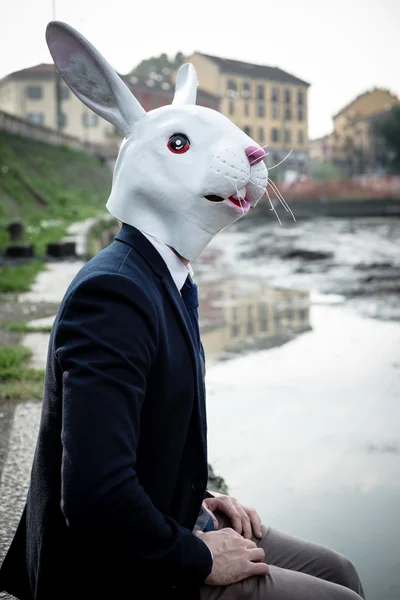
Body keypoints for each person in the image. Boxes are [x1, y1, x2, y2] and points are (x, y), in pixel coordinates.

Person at [0, 21, 365, 600]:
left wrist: (199, 496)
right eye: (178, 144)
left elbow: (147, 433)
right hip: (114, 572)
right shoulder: (113, 293)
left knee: (340, 571)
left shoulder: (171, 278)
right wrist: (197, 555)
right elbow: (94, 495)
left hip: (175, 516)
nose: (251, 155)